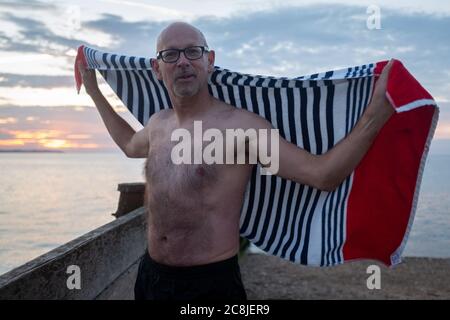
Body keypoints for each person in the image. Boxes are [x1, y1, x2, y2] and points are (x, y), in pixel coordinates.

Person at [77, 21, 394, 300]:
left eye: (193, 52)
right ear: (157, 69)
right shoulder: (159, 124)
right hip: (150, 276)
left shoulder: (242, 128)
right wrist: (94, 91)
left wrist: (374, 118)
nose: (183, 62)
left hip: (209, 285)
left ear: (209, 61)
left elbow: (321, 174)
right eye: (170, 55)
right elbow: (130, 145)